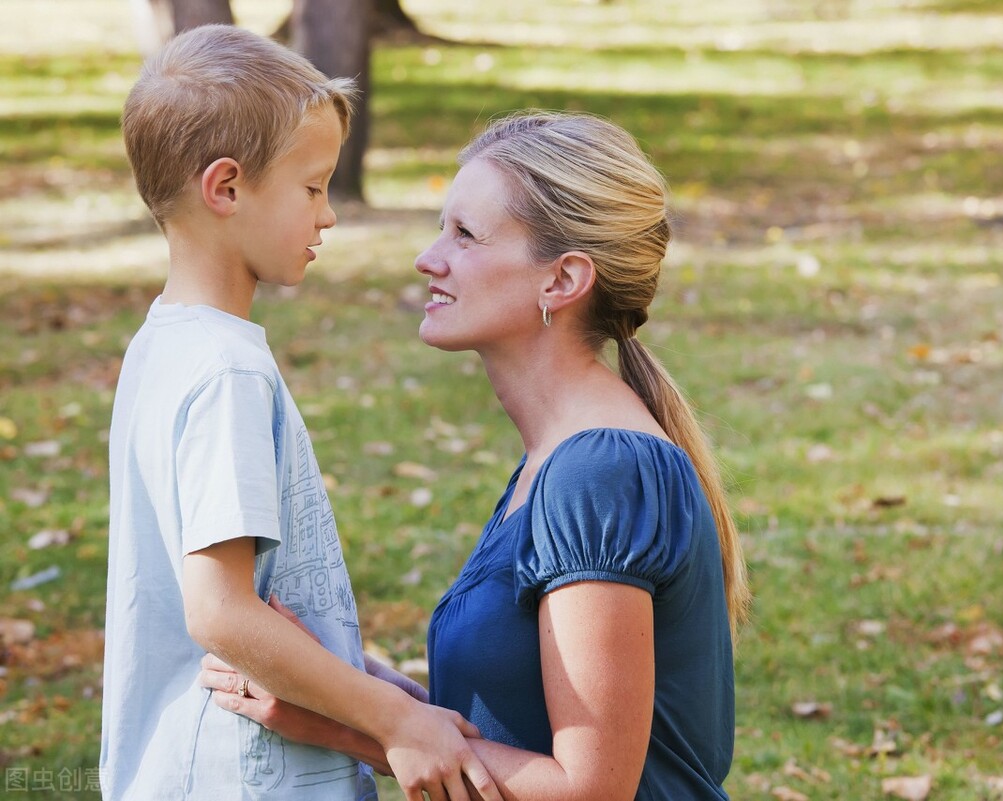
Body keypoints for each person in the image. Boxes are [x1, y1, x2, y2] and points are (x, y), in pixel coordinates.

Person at [201, 110, 752, 800]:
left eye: (465, 234)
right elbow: (516, 722)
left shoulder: (600, 471)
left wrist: (346, 728)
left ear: (562, 280)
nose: (429, 258)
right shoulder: (555, 462)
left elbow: (590, 789)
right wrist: (348, 683)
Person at [102, 24, 499, 801]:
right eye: (312, 187)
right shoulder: (227, 370)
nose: (328, 216)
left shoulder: (164, 345)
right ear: (226, 188)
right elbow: (221, 611)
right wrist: (398, 720)